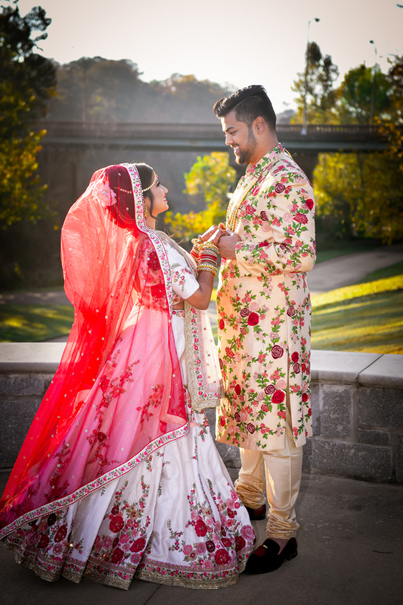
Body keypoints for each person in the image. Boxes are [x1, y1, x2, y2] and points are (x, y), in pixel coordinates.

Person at [0, 163, 256, 589]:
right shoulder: (153, 243)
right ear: (142, 200)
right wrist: (210, 258)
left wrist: (196, 254)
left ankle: (100, 534)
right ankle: (155, 538)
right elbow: (200, 299)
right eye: (159, 186)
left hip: (148, 348)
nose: (166, 188)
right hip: (165, 357)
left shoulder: (140, 242)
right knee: (163, 434)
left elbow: (171, 287)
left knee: (129, 436)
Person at [205, 85, 316, 574]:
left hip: (274, 329)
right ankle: (250, 499)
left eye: (232, 131)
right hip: (247, 329)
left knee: (279, 428)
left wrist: (235, 250)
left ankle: (283, 533)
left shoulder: (287, 178)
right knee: (252, 415)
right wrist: (222, 237)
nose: (228, 140)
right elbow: (255, 236)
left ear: (258, 125)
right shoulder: (254, 174)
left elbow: (300, 254)